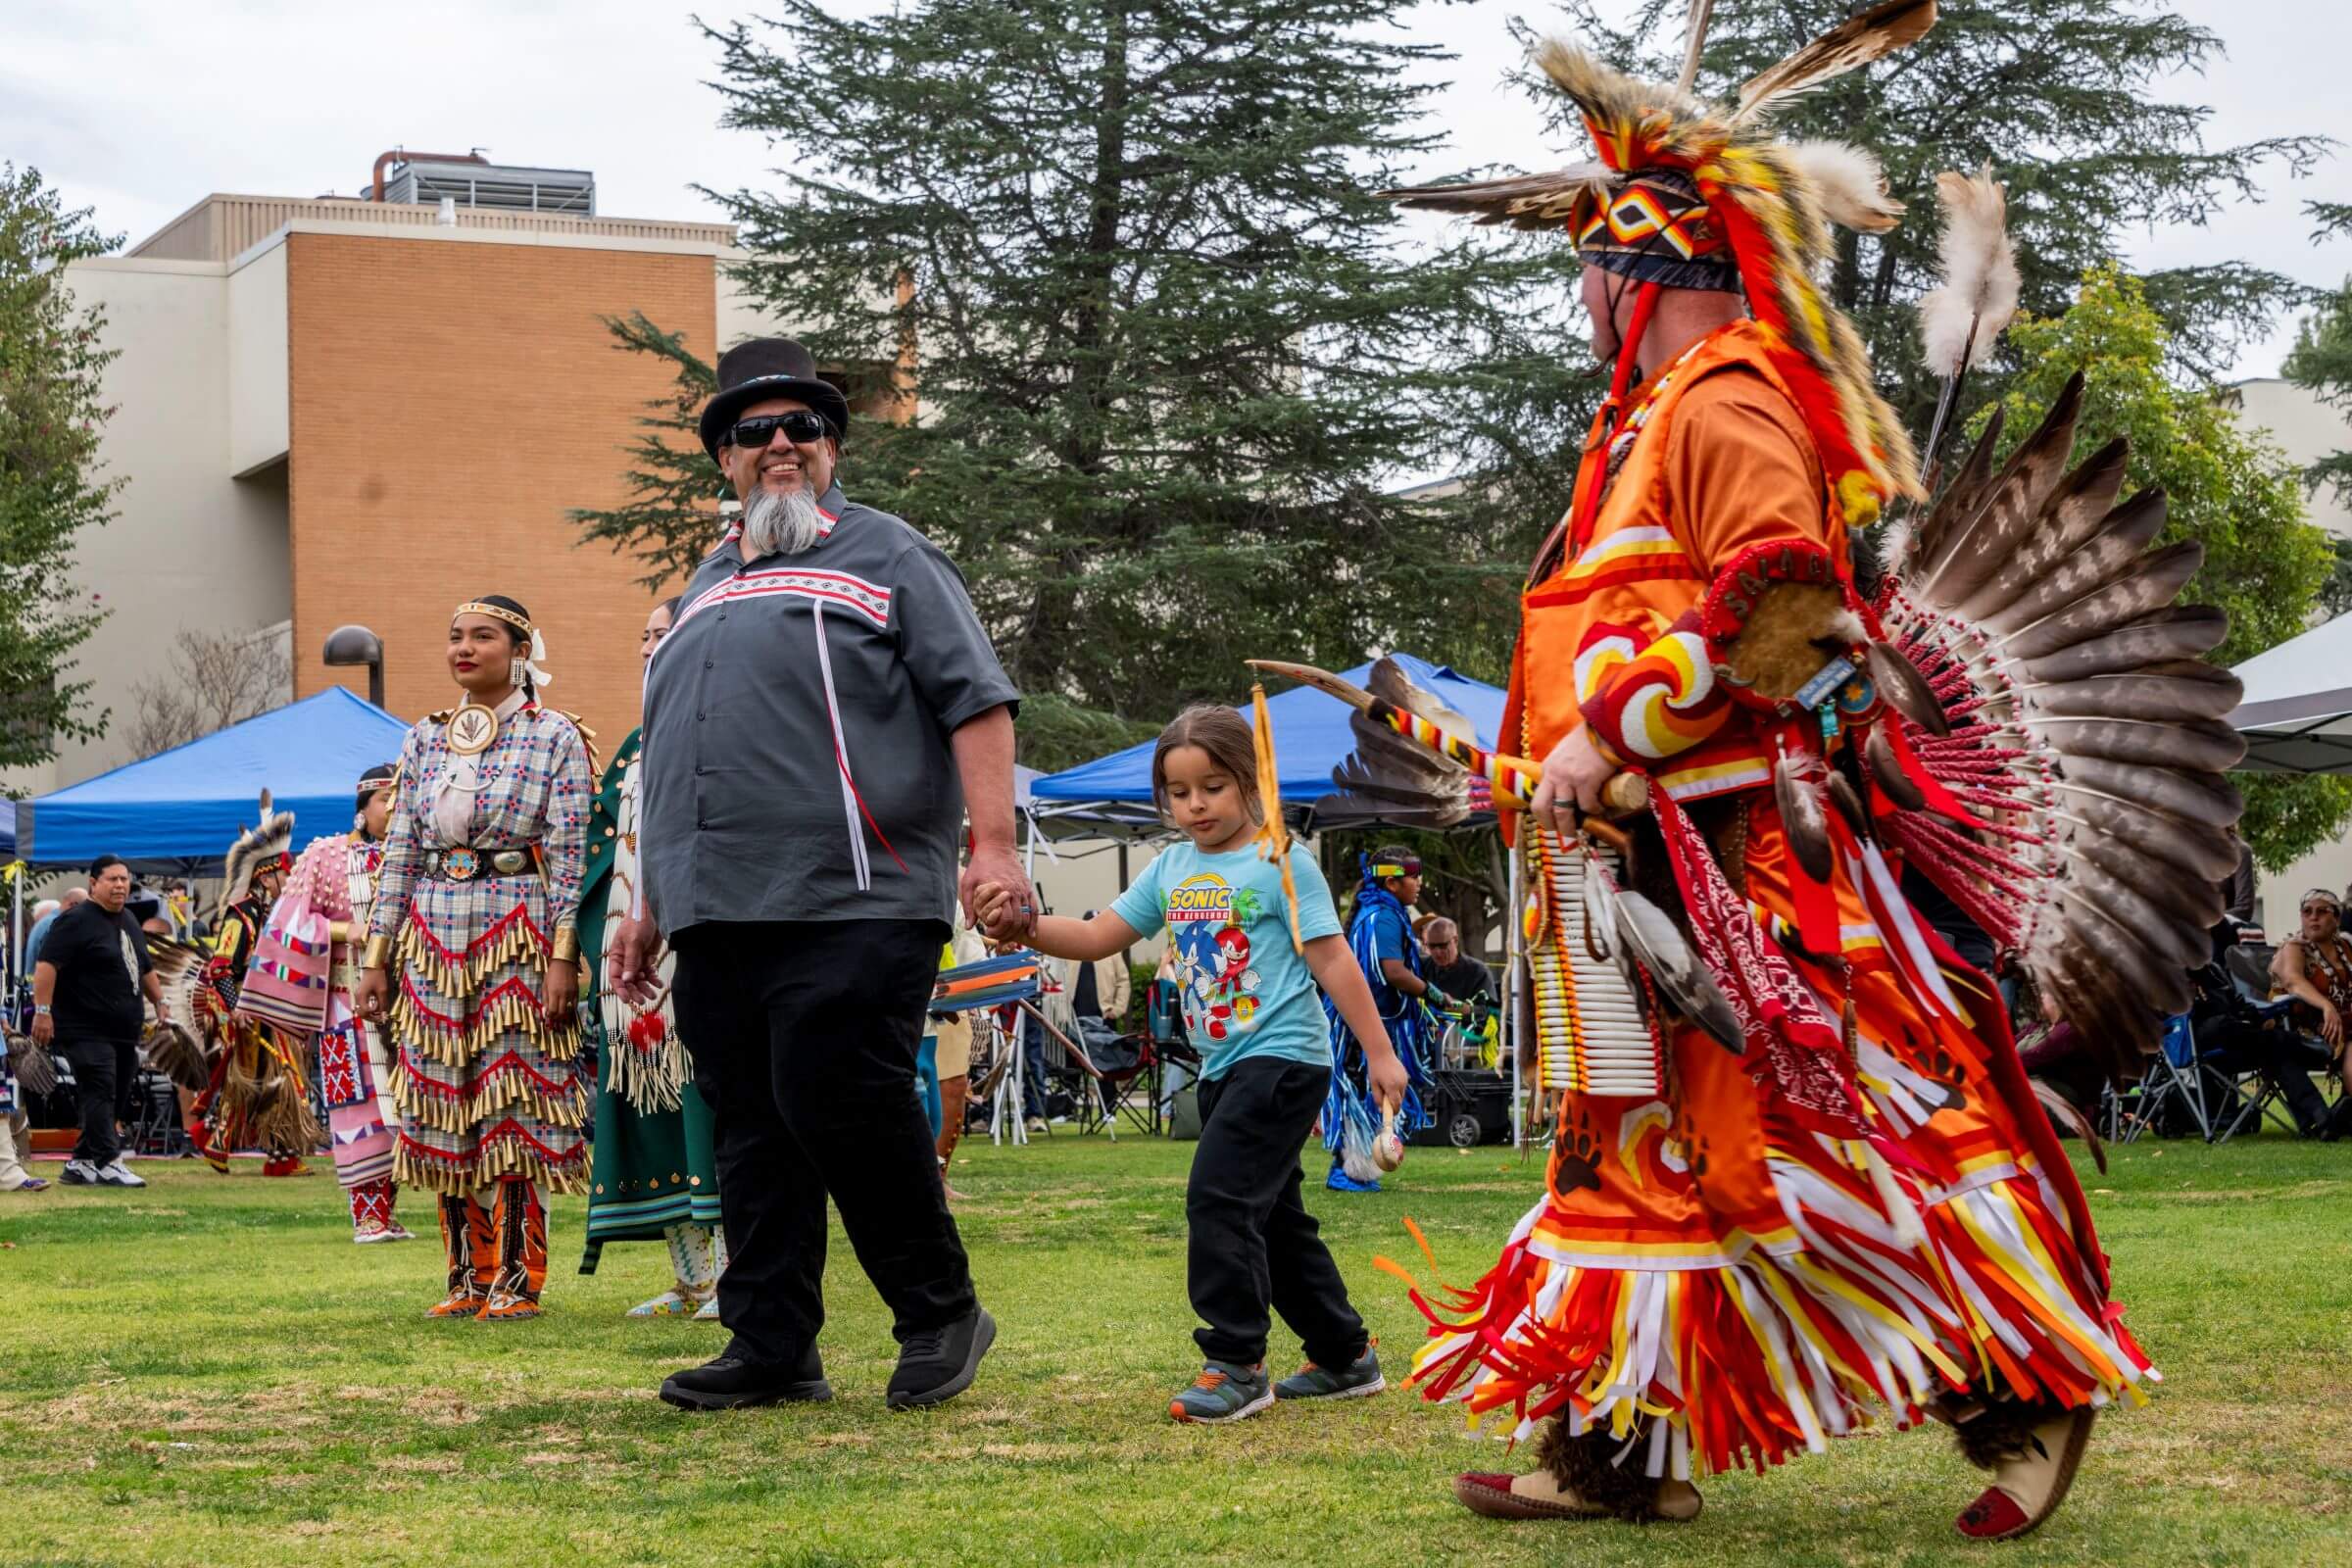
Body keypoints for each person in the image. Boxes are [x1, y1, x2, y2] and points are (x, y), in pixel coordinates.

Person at [1384, 27, 2173, 1541]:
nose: (1580, 295)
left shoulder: (1726, 402)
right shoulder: (1641, 426)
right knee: (1630, 1143)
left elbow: (1792, 603)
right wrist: (1571, 776)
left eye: (1591, 267)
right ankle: (1616, 1454)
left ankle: (2026, 1398)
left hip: (1748, 862)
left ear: (1640, 265)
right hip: (1629, 860)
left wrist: (1612, 739)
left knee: (1831, 1136)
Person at [608, 336, 1033, 1413]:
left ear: (834, 448)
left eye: (806, 426)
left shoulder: (889, 554)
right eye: (756, 431)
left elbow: (976, 697)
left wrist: (993, 846)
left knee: (835, 1091)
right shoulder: (700, 592)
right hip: (715, 904)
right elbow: (670, 759)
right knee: (749, 1118)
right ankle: (772, 1344)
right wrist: (648, 903)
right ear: (728, 462)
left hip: (860, 889)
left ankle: (939, 1309)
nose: (783, 442)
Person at [974, 706, 1410, 1423]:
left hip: (1283, 1060)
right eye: (1179, 792)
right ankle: (1343, 1354)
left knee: (1219, 1198)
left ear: (1249, 781)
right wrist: (1021, 925)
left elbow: (1332, 959)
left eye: (1212, 786)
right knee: (1273, 1220)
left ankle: (1236, 1362)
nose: (1195, 804)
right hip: (1222, 1068)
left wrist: (1381, 1053)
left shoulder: (1281, 861)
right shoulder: (1172, 867)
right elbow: (1096, 935)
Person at [355, 596, 595, 1322]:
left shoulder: (555, 735)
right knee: (441, 1098)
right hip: (433, 935)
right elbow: (400, 854)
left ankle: (520, 1276)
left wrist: (563, 956)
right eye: (455, 636)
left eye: (482, 637)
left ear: (520, 649)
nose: (464, 648)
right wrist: (377, 956)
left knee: (514, 1098)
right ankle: (467, 1273)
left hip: (517, 931)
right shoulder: (423, 739)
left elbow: (571, 852)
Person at [577, 596, 727, 1318]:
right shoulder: (636, 746)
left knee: (710, 1111)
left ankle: (736, 1276)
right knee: (652, 1112)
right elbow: (598, 847)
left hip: (696, 954)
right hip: (627, 965)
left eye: (661, 634)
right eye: (642, 636)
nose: (647, 649)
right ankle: (692, 1276)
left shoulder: (721, 730)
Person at [242, 762, 416, 1240]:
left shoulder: (416, 857)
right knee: (359, 1108)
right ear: (363, 808)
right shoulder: (326, 855)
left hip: (410, 1004)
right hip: (347, 1004)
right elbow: (287, 923)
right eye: (386, 799)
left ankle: (389, 1209)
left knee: (403, 1108)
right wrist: (348, 931)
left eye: (402, 799)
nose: (395, 807)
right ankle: (367, 1216)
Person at [187, 798, 313, 1178]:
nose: (290, 884)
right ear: (265, 876)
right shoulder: (240, 915)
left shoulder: (273, 914)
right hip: (247, 1006)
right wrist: (235, 1007)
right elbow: (222, 967)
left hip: (273, 1005)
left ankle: (279, 1154)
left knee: (280, 1078)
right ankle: (219, 1142)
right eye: (285, 877)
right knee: (255, 1078)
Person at [32, 857, 166, 1188]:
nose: (120, 885)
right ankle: (109, 1160)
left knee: (117, 1093)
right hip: (83, 1027)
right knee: (100, 1087)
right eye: (112, 879)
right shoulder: (74, 921)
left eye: (124, 879)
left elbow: (145, 967)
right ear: (94, 883)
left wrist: (160, 1002)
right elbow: (47, 966)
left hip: (123, 1029)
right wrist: (43, 1011)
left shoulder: (130, 920)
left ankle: (81, 1162)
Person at [1322, 845, 1435, 1193]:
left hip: (1367, 1019)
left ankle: (1355, 1168)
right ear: (1391, 884)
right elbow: (1393, 971)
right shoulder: (1383, 916)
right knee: (1363, 1091)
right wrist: (1435, 994)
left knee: (1364, 1090)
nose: (1419, 882)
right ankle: (1348, 1171)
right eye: (1413, 876)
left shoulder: (1379, 912)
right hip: (1371, 1022)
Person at [2268, 889, 2352, 1141]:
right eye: (2307, 912)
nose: (2313, 918)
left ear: (2336, 919)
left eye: (2322, 911)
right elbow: (2293, 982)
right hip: (2301, 1032)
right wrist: (2327, 1007)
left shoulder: (2346, 946)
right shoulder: (2295, 947)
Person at [1419, 918, 1493, 1007]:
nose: (1437, 952)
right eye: (1431, 946)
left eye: (1443, 945)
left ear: (1456, 940)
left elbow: (1487, 1012)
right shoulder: (1421, 965)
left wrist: (1454, 1005)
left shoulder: (1478, 971)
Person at [24, 890, 83, 971]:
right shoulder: (57, 926)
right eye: (85, 908)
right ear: (73, 905)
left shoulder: (47, 922)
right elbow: (52, 964)